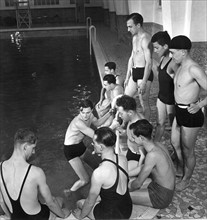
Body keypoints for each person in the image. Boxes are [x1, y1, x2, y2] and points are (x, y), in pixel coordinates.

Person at [0, 128, 70, 220]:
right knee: (60, 201)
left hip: (16, 217)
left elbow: (1, 201)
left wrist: (10, 217)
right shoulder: (36, 172)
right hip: (38, 217)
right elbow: (50, 203)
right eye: (33, 148)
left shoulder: (1, 167)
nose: (34, 152)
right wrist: (63, 215)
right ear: (25, 147)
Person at [169, 35, 207, 191]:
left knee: (187, 149)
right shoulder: (179, 66)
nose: (171, 55)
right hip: (179, 110)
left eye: (173, 52)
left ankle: (187, 179)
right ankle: (180, 167)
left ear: (183, 52)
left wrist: (200, 105)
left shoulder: (194, 69)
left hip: (191, 114)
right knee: (175, 143)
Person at [72, 127, 132, 219]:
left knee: (80, 203)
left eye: (94, 143)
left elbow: (90, 202)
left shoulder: (99, 173)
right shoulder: (123, 159)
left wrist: (80, 216)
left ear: (100, 147)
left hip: (111, 216)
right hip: (127, 210)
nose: (92, 144)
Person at [64, 99, 113, 194]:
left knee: (98, 167)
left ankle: (105, 188)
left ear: (91, 110)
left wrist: (109, 113)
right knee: (85, 180)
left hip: (80, 145)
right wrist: (112, 129)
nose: (86, 115)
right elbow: (95, 136)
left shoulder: (90, 115)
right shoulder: (78, 122)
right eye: (83, 113)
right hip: (70, 150)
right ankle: (69, 192)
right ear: (79, 110)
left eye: (88, 112)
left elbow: (98, 123)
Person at [129, 119, 175, 209]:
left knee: (119, 196)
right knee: (130, 182)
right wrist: (127, 174)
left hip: (162, 197)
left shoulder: (152, 155)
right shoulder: (158, 145)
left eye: (134, 137)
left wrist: (126, 190)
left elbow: (138, 184)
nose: (132, 140)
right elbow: (146, 167)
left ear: (141, 138)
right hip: (165, 189)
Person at [124, 13, 153, 120]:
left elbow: (149, 63)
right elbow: (132, 57)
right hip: (134, 71)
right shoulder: (134, 37)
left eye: (130, 26)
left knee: (144, 101)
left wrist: (144, 81)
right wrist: (127, 76)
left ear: (138, 25)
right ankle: (134, 120)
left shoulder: (146, 39)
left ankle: (146, 126)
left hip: (144, 72)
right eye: (127, 26)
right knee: (126, 98)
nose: (128, 29)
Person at [151, 31, 179, 142]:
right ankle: (155, 146)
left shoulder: (173, 63)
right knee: (159, 123)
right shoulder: (162, 59)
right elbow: (162, 78)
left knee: (174, 128)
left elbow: (180, 82)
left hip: (171, 100)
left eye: (157, 48)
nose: (155, 50)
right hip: (161, 97)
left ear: (166, 46)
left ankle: (177, 154)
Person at [115, 95, 145, 177]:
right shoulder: (132, 118)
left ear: (130, 113)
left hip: (137, 157)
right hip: (131, 152)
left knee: (120, 174)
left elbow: (143, 154)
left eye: (121, 113)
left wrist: (139, 172)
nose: (120, 116)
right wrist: (125, 132)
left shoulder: (138, 127)